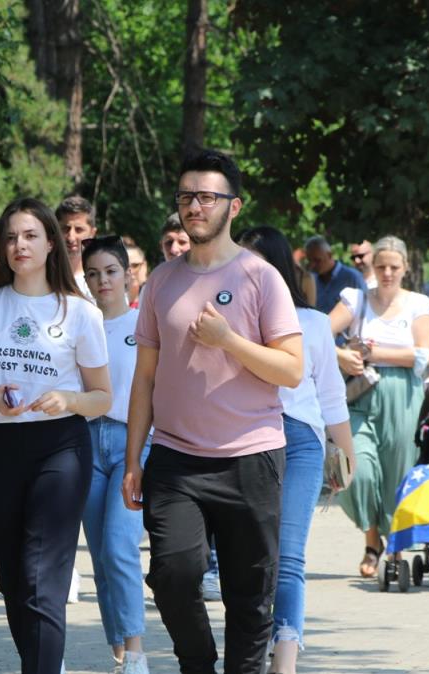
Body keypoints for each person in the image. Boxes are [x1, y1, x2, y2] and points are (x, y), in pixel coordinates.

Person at [122, 149, 303, 674]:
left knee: (249, 596)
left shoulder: (260, 277)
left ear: (234, 207)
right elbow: (145, 378)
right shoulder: (159, 280)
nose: (194, 206)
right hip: (176, 459)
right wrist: (135, 458)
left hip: (252, 456)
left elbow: (291, 370)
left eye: (206, 197)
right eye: (186, 197)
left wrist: (229, 341)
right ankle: (196, 664)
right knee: (173, 576)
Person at [0, 198, 111, 674]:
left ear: (50, 244)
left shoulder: (80, 312)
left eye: (31, 236)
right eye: (12, 237)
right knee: (15, 582)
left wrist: (70, 400)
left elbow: (102, 396)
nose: (19, 246)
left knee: (43, 579)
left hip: (61, 448)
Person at [237, 227, 355, 674]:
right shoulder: (227, 323)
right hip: (243, 439)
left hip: (301, 440)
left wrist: (345, 452)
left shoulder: (313, 323)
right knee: (249, 553)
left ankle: (284, 657)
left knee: (288, 554)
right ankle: (251, 644)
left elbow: (330, 394)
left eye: (255, 262)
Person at [329, 236, 429, 578]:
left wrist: (376, 353)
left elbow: (422, 354)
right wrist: (340, 355)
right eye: (381, 266)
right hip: (359, 393)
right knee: (355, 471)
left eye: (394, 266)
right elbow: (318, 334)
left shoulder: (418, 303)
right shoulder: (356, 299)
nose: (387, 273)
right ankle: (372, 539)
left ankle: (395, 549)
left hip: (402, 396)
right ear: (372, 268)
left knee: (398, 472)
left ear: (405, 268)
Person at [78, 236, 150, 674]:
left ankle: (137, 654)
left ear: (128, 274)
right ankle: (119, 651)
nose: (102, 280)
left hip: (131, 444)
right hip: (85, 445)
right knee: (101, 556)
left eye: (110, 271)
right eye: (93, 273)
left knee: (121, 547)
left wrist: (143, 454)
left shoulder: (145, 327)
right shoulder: (78, 324)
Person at [305, 235, 366, 313]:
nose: (312, 265)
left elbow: (365, 308)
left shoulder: (352, 277)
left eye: (317, 260)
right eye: (310, 261)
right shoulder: (311, 280)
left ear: (329, 255)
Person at [56, 194, 98, 297]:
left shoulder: (103, 280)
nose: (71, 237)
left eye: (79, 230)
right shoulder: (42, 276)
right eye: (65, 229)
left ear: (92, 233)